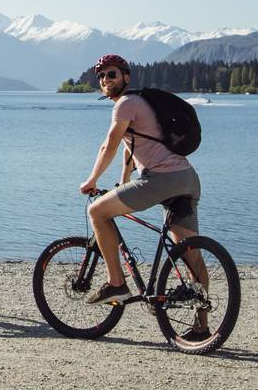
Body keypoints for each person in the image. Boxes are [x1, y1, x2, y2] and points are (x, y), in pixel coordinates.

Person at [77, 54, 210, 339]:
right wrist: (124, 181)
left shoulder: (125, 103)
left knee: (97, 212)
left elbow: (109, 145)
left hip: (160, 180)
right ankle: (202, 327)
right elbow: (132, 146)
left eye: (111, 74)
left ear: (126, 77)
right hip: (187, 179)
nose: (105, 80)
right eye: (101, 76)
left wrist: (92, 180)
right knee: (190, 253)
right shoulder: (142, 102)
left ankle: (116, 283)